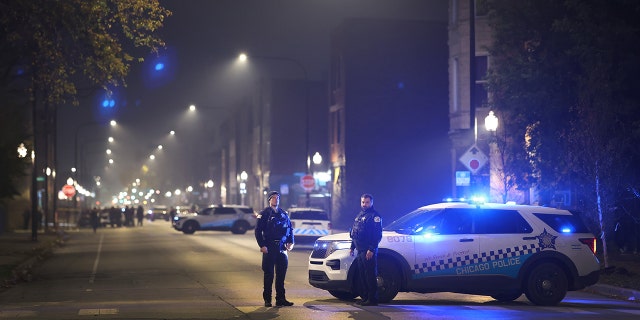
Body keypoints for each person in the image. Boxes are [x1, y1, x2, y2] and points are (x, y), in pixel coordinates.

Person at [255, 191, 295, 307]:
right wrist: (262, 245)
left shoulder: (284, 214)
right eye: (273, 198)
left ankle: (280, 299)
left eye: (277, 198)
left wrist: (291, 242)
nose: (275, 200)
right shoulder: (264, 214)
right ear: (269, 200)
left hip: (282, 247)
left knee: (281, 275)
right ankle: (268, 300)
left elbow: (290, 228)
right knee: (269, 274)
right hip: (270, 246)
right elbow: (258, 230)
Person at [349, 193, 382, 306]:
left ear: (371, 203)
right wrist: (352, 247)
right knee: (363, 274)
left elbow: (377, 235)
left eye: (367, 202)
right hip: (360, 250)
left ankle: (372, 299)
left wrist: (371, 249)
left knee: (370, 275)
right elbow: (355, 232)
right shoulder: (359, 215)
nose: (365, 204)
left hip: (368, 250)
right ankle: (365, 297)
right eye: (363, 202)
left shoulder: (375, 216)